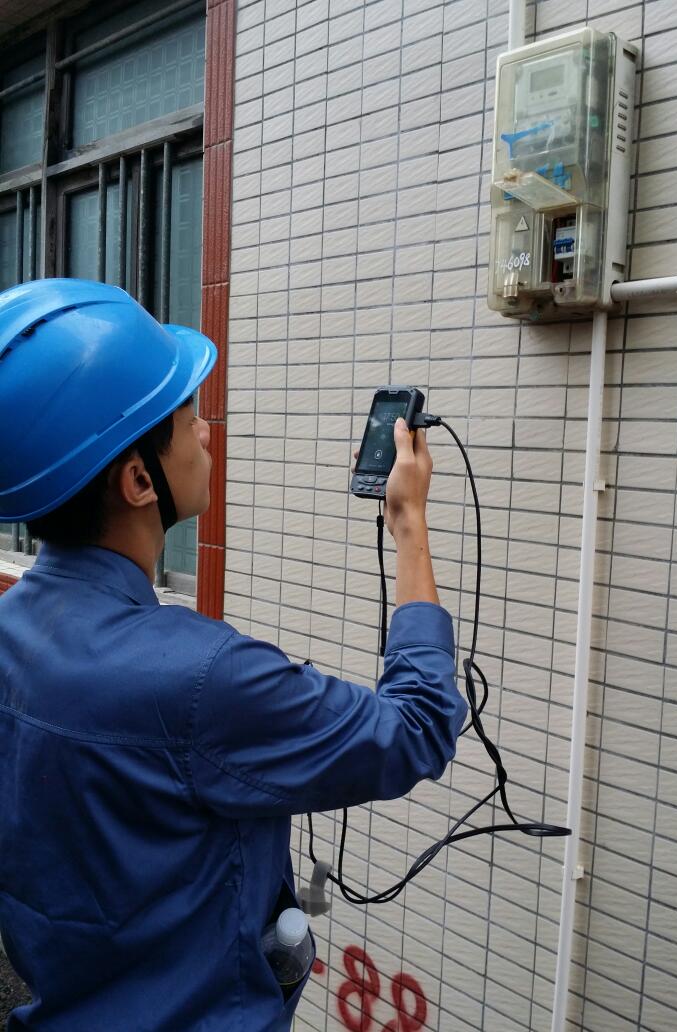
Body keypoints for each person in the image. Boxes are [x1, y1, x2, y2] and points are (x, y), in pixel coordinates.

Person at [0, 279, 467, 1031]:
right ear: (138, 480)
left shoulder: (12, 625)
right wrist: (409, 523)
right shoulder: (201, 679)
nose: (207, 435)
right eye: (189, 422)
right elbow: (419, 726)